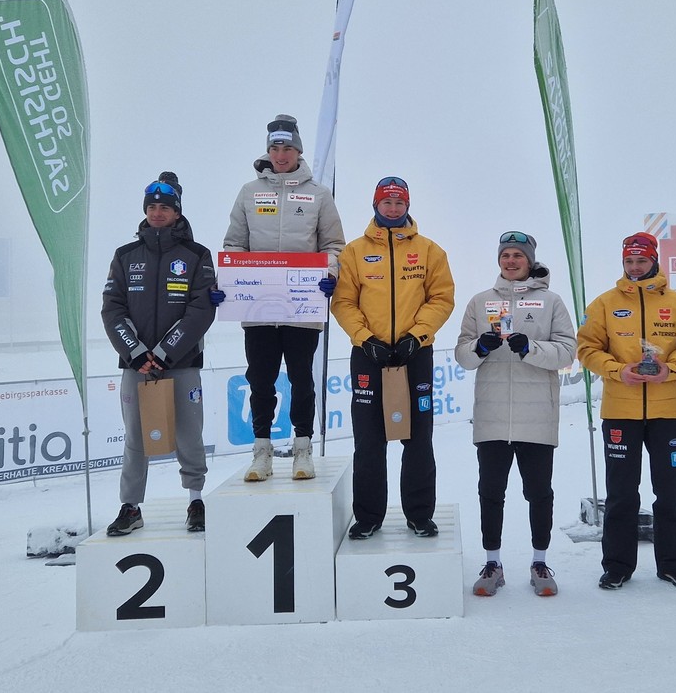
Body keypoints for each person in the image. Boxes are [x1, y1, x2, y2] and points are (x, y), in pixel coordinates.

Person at [576, 232, 676, 590]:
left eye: (641, 260)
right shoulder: (604, 304)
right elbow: (587, 348)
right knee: (621, 493)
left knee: (670, 492)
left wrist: (673, 367)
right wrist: (617, 369)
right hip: (620, 411)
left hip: (668, 412)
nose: (635, 267)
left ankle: (672, 564)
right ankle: (618, 565)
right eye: (629, 261)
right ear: (623, 263)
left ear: (654, 261)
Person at [221, 114, 345, 482]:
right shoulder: (248, 192)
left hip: (302, 307)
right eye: (274, 147)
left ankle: (302, 449)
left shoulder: (319, 194)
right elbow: (233, 244)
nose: (280, 154)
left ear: (298, 150)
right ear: (268, 151)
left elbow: (334, 245)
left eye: (287, 147)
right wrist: (230, 278)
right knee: (260, 379)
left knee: (302, 380)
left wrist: (330, 272)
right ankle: (262, 452)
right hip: (257, 308)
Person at [330, 177, 454, 539]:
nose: (394, 209)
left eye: (400, 204)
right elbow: (344, 301)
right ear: (376, 205)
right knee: (369, 440)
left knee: (418, 438)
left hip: (415, 353)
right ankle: (368, 516)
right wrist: (364, 338)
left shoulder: (430, 251)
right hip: (369, 355)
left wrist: (419, 335)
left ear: (408, 206)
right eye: (387, 203)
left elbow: (441, 298)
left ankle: (419, 514)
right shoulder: (353, 252)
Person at [454, 231, 577, 597]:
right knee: (490, 492)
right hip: (493, 416)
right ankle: (493, 563)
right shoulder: (480, 302)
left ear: (529, 260)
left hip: (537, 415)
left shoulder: (551, 301)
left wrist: (531, 348)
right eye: (505, 255)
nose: (511, 261)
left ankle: (540, 562)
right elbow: (462, 355)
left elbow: (568, 353)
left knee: (539, 492)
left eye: (517, 256)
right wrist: (480, 346)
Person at [101, 174, 217, 535]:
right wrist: (136, 354)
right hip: (137, 366)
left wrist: (165, 352)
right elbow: (112, 308)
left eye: (164, 207)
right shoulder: (125, 255)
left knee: (189, 434)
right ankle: (130, 507)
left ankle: (196, 500)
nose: (157, 213)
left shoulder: (197, 255)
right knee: (135, 436)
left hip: (181, 363)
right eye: (151, 207)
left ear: (177, 211)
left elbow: (201, 310)